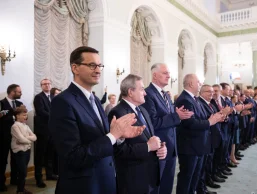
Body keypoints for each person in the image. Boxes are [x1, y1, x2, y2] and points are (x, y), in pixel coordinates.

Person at [48, 46, 144, 194]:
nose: (98, 70)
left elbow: (103, 140)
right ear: (75, 68)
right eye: (92, 65)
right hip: (83, 186)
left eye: (100, 65)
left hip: (104, 180)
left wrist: (119, 137)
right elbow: (73, 156)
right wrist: (113, 135)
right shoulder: (62, 102)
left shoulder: (96, 101)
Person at [108, 74, 167, 194]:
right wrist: (148, 147)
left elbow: (149, 137)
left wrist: (160, 147)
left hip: (150, 173)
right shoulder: (118, 112)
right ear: (130, 91)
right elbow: (119, 150)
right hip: (133, 178)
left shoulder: (142, 110)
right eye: (142, 89)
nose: (145, 93)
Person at [142, 63, 193, 194]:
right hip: (159, 148)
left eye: (168, 73)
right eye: (165, 73)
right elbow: (152, 122)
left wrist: (178, 116)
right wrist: (176, 116)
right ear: (154, 75)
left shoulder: (165, 94)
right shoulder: (148, 94)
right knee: (156, 187)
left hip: (171, 146)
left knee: (167, 185)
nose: (169, 76)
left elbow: (171, 118)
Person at [34, 79, 57, 188]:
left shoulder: (53, 97)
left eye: (49, 84)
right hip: (42, 131)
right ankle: (38, 178)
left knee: (50, 154)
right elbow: (41, 111)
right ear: (41, 86)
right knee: (40, 155)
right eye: (45, 84)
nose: (47, 85)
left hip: (52, 130)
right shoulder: (38, 97)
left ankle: (49, 174)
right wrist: (55, 116)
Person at [0, 84, 23, 191]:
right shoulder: (1, 103)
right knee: (2, 160)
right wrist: (13, 115)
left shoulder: (20, 103)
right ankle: (1, 183)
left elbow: (23, 118)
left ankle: (14, 179)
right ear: (12, 92)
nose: (21, 93)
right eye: (19, 92)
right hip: (4, 136)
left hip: (17, 136)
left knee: (16, 159)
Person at [11, 105, 37, 194]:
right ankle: (20, 191)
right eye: (23, 115)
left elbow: (35, 137)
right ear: (17, 115)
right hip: (19, 152)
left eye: (26, 115)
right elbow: (21, 139)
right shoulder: (15, 126)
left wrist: (25, 138)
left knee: (24, 172)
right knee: (22, 172)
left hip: (26, 150)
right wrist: (28, 139)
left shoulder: (25, 126)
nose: (25, 117)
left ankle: (21, 189)